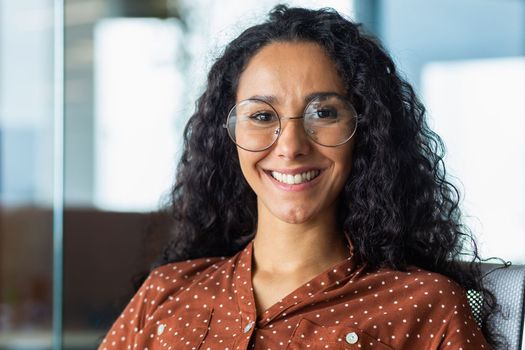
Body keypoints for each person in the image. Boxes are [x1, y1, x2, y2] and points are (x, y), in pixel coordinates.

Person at [99, 5, 497, 349]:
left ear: (366, 131)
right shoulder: (165, 294)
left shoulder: (426, 305)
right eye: (261, 116)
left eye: (323, 113)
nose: (290, 145)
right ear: (230, 135)